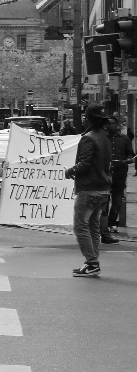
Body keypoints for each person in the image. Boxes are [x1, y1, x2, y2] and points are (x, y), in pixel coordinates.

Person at [65, 104, 113, 277]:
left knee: (80, 227)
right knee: (93, 226)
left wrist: (70, 171)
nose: (84, 120)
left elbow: (84, 164)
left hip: (89, 189)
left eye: (85, 117)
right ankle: (93, 262)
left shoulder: (88, 138)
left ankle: (91, 262)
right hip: (103, 190)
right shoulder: (105, 137)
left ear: (89, 119)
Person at [101, 116, 133, 242]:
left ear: (117, 125)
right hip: (105, 174)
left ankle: (111, 222)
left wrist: (129, 159)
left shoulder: (124, 139)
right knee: (104, 200)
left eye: (113, 124)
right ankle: (104, 226)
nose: (111, 126)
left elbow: (130, 153)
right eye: (109, 124)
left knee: (117, 200)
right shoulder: (103, 139)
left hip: (119, 173)